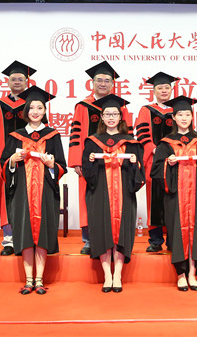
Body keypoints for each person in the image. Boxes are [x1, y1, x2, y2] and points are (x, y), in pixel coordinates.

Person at [2, 86, 67, 295]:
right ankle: (28, 279)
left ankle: (39, 279)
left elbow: (62, 166)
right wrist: (13, 160)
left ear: (45, 111)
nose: (35, 111)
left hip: (45, 190)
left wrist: (51, 165)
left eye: (40, 108)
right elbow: (4, 164)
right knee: (25, 233)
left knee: (43, 233)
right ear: (26, 111)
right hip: (22, 191)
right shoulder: (15, 136)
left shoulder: (52, 135)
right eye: (32, 108)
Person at [68, 61, 132, 255]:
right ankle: (89, 240)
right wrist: (77, 161)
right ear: (92, 82)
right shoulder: (83, 106)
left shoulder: (121, 107)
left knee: (116, 199)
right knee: (88, 199)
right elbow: (76, 134)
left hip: (116, 164)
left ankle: (115, 238)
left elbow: (128, 135)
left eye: (107, 81)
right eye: (99, 80)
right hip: (90, 162)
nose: (103, 84)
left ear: (112, 84)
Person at [151, 96, 197, 292]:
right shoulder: (165, 143)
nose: (184, 118)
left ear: (192, 117)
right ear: (173, 117)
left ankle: (193, 273)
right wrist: (167, 163)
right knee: (177, 231)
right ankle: (180, 274)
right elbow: (156, 170)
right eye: (180, 115)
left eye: (187, 114)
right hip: (175, 194)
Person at [82, 94, 144, 293]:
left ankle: (117, 274)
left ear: (120, 117)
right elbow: (87, 173)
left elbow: (139, 174)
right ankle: (106, 275)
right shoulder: (92, 142)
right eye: (107, 114)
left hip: (124, 193)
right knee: (102, 231)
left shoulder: (131, 142)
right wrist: (91, 161)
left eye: (114, 114)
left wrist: (135, 163)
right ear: (101, 117)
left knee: (121, 232)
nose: (111, 117)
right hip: (100, 193)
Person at [0, 61, 35, 257]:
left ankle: (29, 238)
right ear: (8, 82)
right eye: (13, 79)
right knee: (6, 199)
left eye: (20, 79)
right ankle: (9, 241)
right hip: (6, 161)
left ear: (27, 81)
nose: (17, 82)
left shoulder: (34, 105)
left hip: (30, 161)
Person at [134, 71, 177, 252]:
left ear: (171, 90)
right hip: (154, 161)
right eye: (160, 88)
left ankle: (174, 240)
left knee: (174, 200)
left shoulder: (178, 110)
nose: (164, 90)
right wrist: (155, 149)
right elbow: (142, 133)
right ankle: (156, 239)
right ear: (154, 91)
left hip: (175, 161)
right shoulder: (147, 110)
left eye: (167, 87)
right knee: (155, 200)